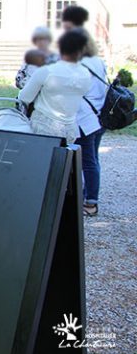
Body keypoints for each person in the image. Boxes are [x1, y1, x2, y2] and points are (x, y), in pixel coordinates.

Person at [18, 30, 92, 142]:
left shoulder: (47, 71)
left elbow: (24, 97)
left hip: (44, 127)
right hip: (70, 128)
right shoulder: (86, 73)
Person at [76, 30, 108, 217]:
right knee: (93, 160)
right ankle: (88, 196)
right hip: (100, 115)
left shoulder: (78, 64)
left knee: (87, 162)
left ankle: (91, 202)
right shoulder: (98, 61)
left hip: (85, 118)